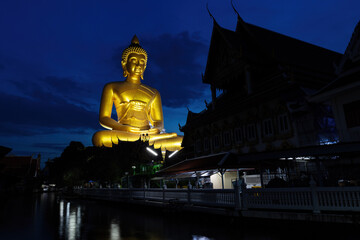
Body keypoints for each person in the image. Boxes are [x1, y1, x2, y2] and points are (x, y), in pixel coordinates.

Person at [92, 35, 182, 155]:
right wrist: (123, 128)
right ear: (124, 64)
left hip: (148, 134)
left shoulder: (154, 92)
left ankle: (145, 142)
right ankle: (143, 142)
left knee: (180, 140)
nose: (139, 65)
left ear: (145, 66)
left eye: (142, 62)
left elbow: (159, 122)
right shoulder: (112, 87)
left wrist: (156, 129)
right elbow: (104, 118)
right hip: (125, 133)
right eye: (134, 61)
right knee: (99, 137)